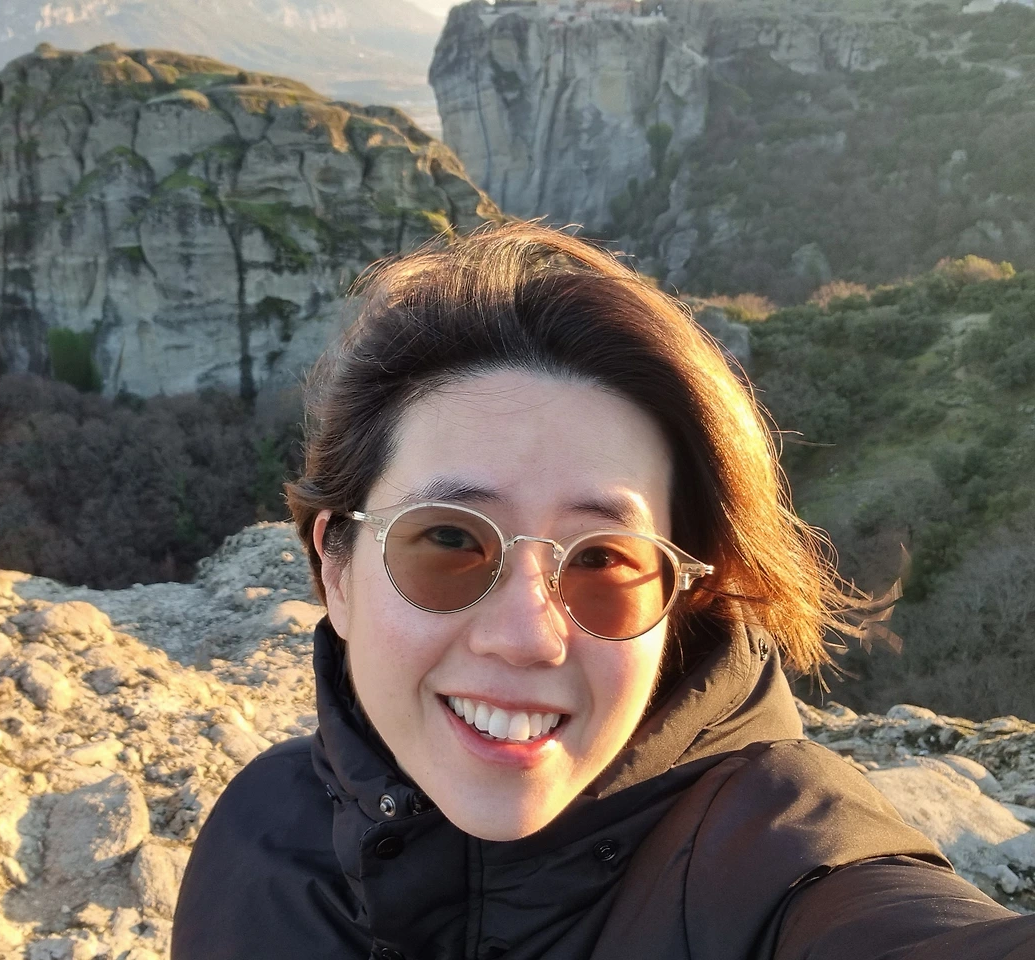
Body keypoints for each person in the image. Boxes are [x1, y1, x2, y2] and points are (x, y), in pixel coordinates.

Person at [171, 223, 1035, 959]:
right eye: (450, 541)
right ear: (336, 569)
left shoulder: (780, 859)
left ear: (683, 601)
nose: (526, 635)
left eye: (604, 560)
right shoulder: (263, 839)